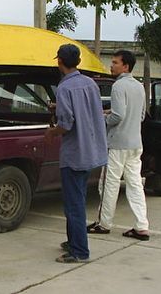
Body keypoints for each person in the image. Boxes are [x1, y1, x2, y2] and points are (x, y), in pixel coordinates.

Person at [45, 44, 108, 263]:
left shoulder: (64, 88)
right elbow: (87, 111)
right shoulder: (90, 83)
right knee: (78, 199)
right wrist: (58, 106)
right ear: (78, 62)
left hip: (74, 154)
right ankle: (74, 240)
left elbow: (66, 124)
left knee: (74, 205)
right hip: (91, 152)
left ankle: (79, 250)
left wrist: (52, 132)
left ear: (59, 61)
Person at [87, 50, 150, 241]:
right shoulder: (139, 86)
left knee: (108, 184)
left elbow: (118, 115)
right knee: (135, 184)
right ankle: (142, 226)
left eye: (115, 62)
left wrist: (103, 119)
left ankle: (104, 223)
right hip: (135, 143)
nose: (111, 65)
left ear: (125, 66)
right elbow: (140, 115)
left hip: (117, 144)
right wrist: (112, 113)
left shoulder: (118, 86)